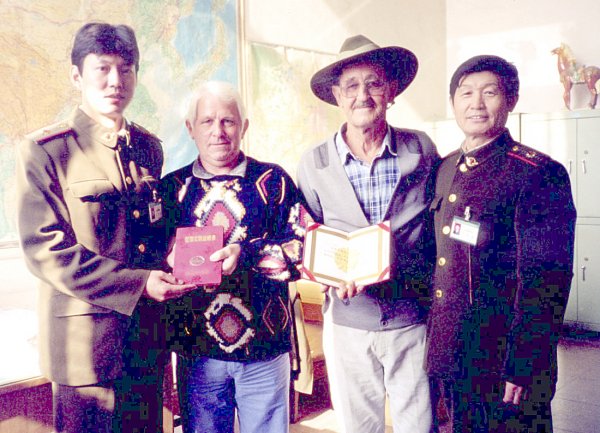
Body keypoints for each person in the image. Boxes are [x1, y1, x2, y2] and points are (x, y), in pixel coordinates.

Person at [15, 22, 195, 433]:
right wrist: (139, 284)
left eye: (126, 69)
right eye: (103, 68)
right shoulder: (46, 151)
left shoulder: (147, 148)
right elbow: (48, 252)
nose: (116, 81)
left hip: (146, 344)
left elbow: (153, 236)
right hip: (87, 356)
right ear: (77, 75)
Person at [425, 55, 576, 432]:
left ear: (509, 100)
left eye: (489, 92)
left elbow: (547, 280)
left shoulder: (537, 174)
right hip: (456, 353)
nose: (476, 103)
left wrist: (525, 362)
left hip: (506, 361)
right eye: (466, 93)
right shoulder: (444, 169)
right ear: (454, 102)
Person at [296, 34, 439, 433]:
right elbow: (306, 236)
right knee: (359, 427)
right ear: (338, 97)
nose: (363, 95)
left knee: (418, 425)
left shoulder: (421, 148)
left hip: (411, 319)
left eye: (374, 83)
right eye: (352, 86)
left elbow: (436, 227)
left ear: (391, 91)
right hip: (347, 323)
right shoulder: (314, 162)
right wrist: (326, 275)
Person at [160, 81, 310, 433]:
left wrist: (247, 254)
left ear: (244, 126)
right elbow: (152, 259)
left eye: (228, 121)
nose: (218, 132)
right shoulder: (172, 190)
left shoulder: (274, 182)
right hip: (197, 352)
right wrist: (166, 262)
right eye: (207, 121)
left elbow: (304, 248)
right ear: (190, 128)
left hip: (265, 349)